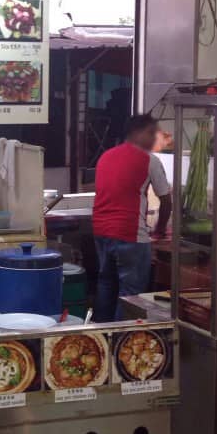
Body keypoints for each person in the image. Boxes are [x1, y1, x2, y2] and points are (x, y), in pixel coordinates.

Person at [92, 113, 172, 321]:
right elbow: (166, 201)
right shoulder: (149, 160)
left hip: (101, 231)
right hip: (129, 235)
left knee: (106, 285)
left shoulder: (106, 156)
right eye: (151, 132)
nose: (154, 137)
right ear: (137, 133)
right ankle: (122, 338)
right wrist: (160, 230)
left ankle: (101, 335)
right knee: (131, 295)